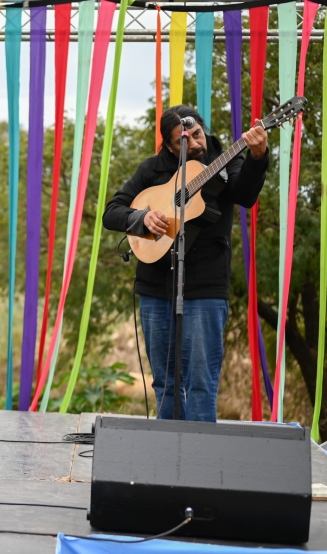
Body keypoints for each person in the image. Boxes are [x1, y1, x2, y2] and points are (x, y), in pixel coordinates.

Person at [103, 105, 269, 421]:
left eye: (196, 134)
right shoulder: (153, 169)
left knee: (201, 385)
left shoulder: (225, 158)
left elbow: (244, 194)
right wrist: (140, 217)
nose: (194, 144)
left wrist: (257, 158)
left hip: (206, 286)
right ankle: (167, 460)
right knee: (165, 383)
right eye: (183, 140)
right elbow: (112, 211)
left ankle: (199, 463)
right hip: (156, 287)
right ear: (168, 146)